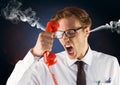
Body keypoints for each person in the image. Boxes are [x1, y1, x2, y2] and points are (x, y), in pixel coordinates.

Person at [6, 6, 120, 85]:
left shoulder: (110, 64)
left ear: (86, 31)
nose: (65, 38)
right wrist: (35, 53)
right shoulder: (46, 67)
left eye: (71, 32)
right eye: (60, 33)